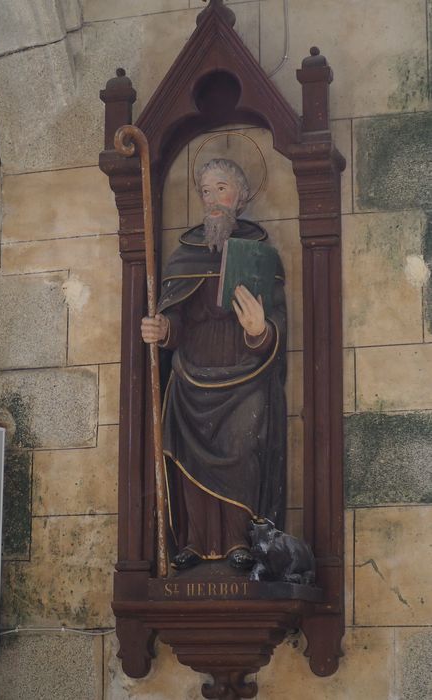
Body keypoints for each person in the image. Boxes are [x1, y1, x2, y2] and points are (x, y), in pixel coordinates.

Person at [141, 158, 287, 571]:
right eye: (205, 191)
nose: (212, 199)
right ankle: (196, 541)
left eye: (221, 189)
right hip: (191, 377)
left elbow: (279, 325)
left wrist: (260, 328)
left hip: (245, 379)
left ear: (240, 196)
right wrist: (162, 330)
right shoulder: (184, 257)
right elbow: (178, 321)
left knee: (241, 449)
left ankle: (241, 540)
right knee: (188, 460)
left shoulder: (263, 256)